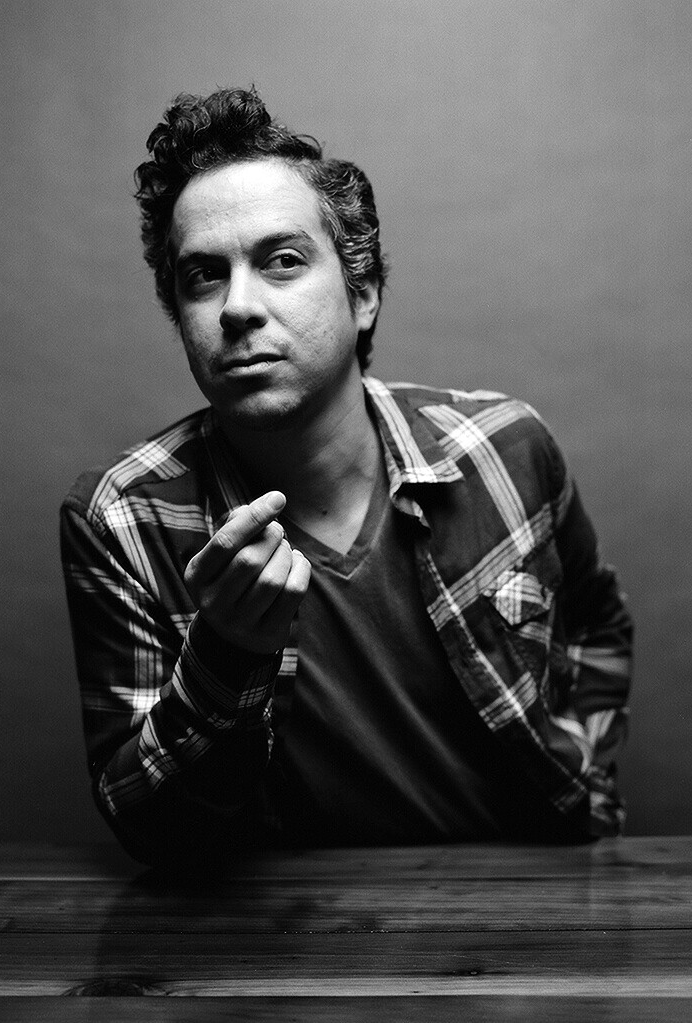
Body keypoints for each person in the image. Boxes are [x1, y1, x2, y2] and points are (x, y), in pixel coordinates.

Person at [61, 87, 633, 866]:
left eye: (282, 262)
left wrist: (587, 784)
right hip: (284, 928)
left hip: (528, 902)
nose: (236, 307)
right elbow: (149, 826)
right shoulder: (122, 519)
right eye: (202, 276)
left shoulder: (504, 448)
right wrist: (224, 655)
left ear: (362, 294)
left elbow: (598, 625)